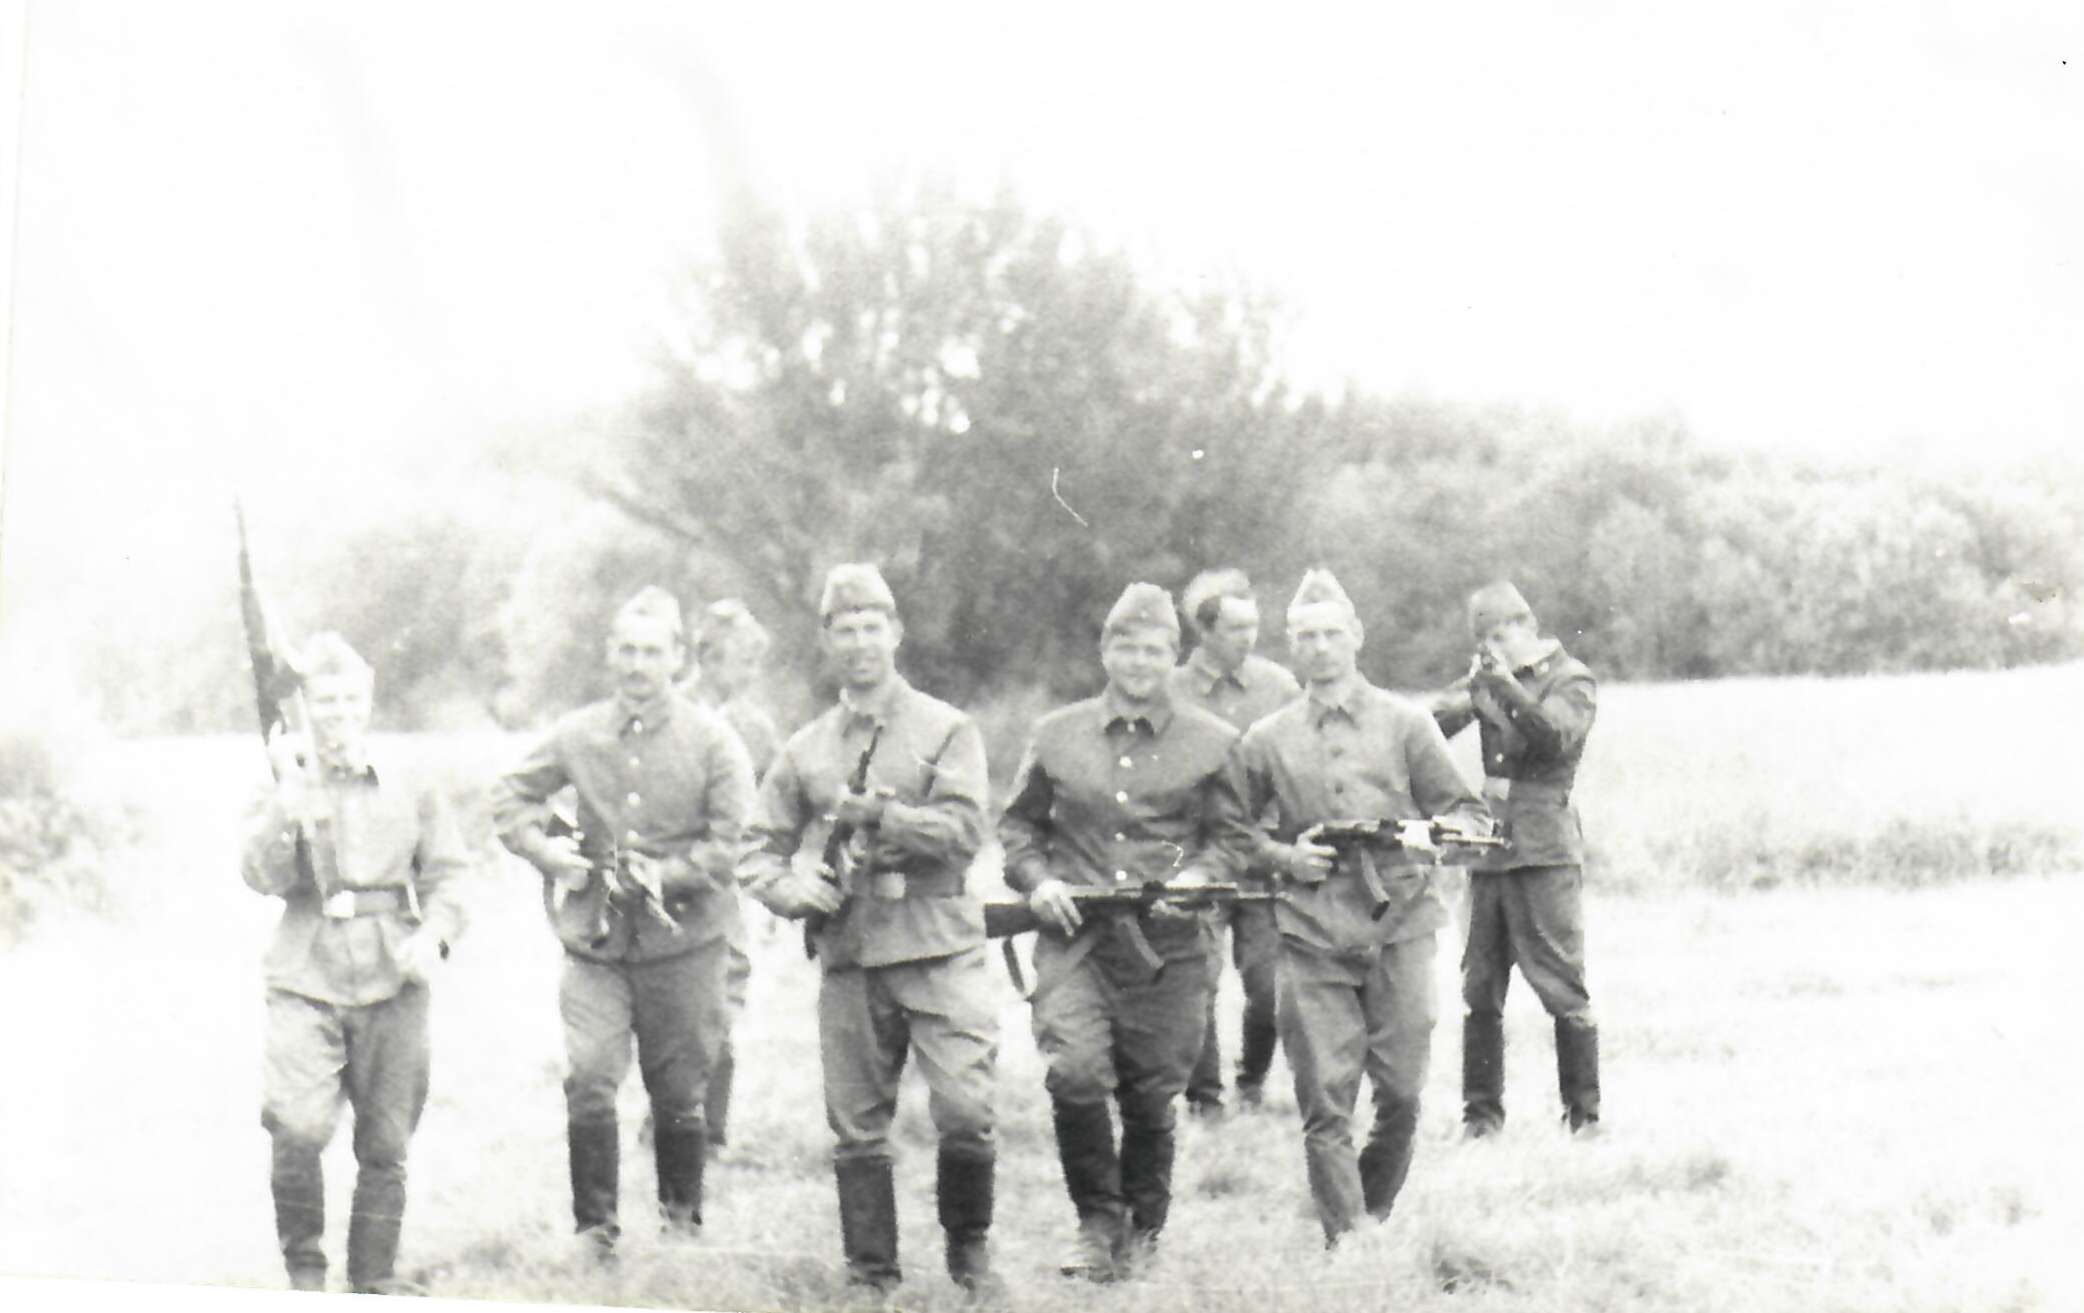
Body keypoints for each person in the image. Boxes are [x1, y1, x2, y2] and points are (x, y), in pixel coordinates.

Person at [738, 563, 1000, 1295]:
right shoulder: (806, 749)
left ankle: (970, 1256)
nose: (859, 643)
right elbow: (755, 848)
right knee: (855, 1124)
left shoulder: (946, 728)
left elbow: (965, 829)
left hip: (939, 943)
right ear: (827, 640)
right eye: (845, 630)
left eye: (871, 627)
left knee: (966, 1108)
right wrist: (793, 889)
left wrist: (885, 816)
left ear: (896, 632)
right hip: (852, 950)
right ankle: (871, 1275)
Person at [999, 582, 1251, 1281]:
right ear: (1105, 651)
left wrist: (1199, 878)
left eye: (1155, 650)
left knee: (1150, 1091)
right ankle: (1095, 1222)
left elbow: (1234, 838)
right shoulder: (1056, 733)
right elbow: (1018, 827)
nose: (1140, 662)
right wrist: (1038, 881)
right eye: (1127, 647)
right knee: (1074, 1071)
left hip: (1168, 948)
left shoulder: (1213, 741)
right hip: (1077, 938)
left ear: (1174, 656)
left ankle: (1143, 1227)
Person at [492, 587, 755, 1255]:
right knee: (589, 1076)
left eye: (652, 652)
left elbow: (733, 844)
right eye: (627, 650)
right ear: (610, 655)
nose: (638, 665)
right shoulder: (577, 733)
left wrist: (669, 874)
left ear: (678, 658)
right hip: (598, 941)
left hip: (686, 943)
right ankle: (595, 1230)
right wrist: (545, 851)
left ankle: (681, 1222)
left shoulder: (713, 741)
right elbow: (510, 795)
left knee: (679, 1089)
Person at [1233, 569, 1490, 1248]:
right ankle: (1347, 1242)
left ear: (1356, 636)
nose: (1320, 648)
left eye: (1331, 633)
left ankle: (1366, 1208)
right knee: (1325, 1098)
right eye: (1306, 637)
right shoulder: (1266, 738)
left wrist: (1434, 836)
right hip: (1311, 928)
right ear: (1291, 646)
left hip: (1400, 924)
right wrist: (1285, 857)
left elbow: (1466, 811)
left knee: (1401, 1093)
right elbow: (1230, 832)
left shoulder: (1407, 723)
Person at [241, 632, 470, 1294]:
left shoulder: (411, 782)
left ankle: (372, 1283)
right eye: (324, 701)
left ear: (367, 702)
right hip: (305, 974)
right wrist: (284, 807)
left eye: (349, 700)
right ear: (305, 706)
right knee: (296, 1125)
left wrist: (434, 937)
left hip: (394, 974)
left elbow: (451, 876)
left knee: (386, 1142)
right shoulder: (282, 778)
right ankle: (305, 1274)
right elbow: (258, 875)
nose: (338, 714)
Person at [1427, 580, 1601, 1136]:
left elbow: (1553, 738)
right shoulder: (1491, 678)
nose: (1497, 648)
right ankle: (1481, 1118)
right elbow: (1429, 728)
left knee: (1562, 983)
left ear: (1528, 626)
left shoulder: (1571, 678)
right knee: (1479, 985)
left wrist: (1502, 687)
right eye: (1487, 640)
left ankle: (1584, 1117)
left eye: (1504, 635)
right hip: (1489, 849)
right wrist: (1472, 691)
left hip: (1545, 847)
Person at [1168, 567, 1302, 1117]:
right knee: (1196, 981)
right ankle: (1204, 1098)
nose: (1249, 637)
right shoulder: (1170, 690)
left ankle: (1251, 1083)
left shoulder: (1279, 686)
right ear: (1204, 631)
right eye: (1235, 628)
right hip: (1195, 855)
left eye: (1253, 625)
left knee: (1269, 986)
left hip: (1263, 855)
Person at [687, 598, 784, 1151]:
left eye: (754, 663)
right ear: (706, 658)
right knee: (670, 1006)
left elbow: (775, 812)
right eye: (740, 661)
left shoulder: (755, 728)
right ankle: (671, 1118)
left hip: (726, 888)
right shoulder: (666, 713)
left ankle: (710, 1129)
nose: (749, 674)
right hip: (667, 880)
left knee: (722, 996)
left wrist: (768, 884)